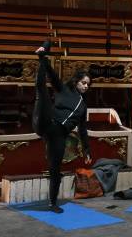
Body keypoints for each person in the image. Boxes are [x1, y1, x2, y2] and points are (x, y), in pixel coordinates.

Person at [34, 40, 92, 213]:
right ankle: (43, 54)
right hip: (47, 122)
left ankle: (52, 203)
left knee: (55, 169)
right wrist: (45, 58)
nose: (86, 86)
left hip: (59, 135)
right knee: (40, 88)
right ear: (76, 82)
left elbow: (82, 129)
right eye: (83, 83)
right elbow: (52, 75)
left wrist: (87, 150)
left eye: (88, 84)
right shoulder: (63, 90)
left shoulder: (83, 106)